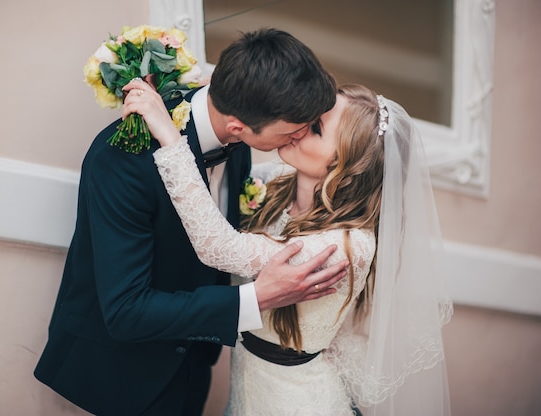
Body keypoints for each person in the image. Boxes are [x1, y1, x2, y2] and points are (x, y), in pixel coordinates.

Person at [34, 28, 346, 416]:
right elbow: (126, 310)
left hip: (192, 364)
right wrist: (257, 297)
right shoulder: (124, 159)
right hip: (120, 377)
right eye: (291, 131)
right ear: (238, 126)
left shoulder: (239, 140)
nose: (297, 138)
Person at [122, 81, 453, 415]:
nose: (297, 126)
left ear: (346, 167)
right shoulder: (279, 182)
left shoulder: (346, 246)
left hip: (296, 402)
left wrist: (169, 136)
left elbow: (219, 247)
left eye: (315, 128)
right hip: (247, 385)